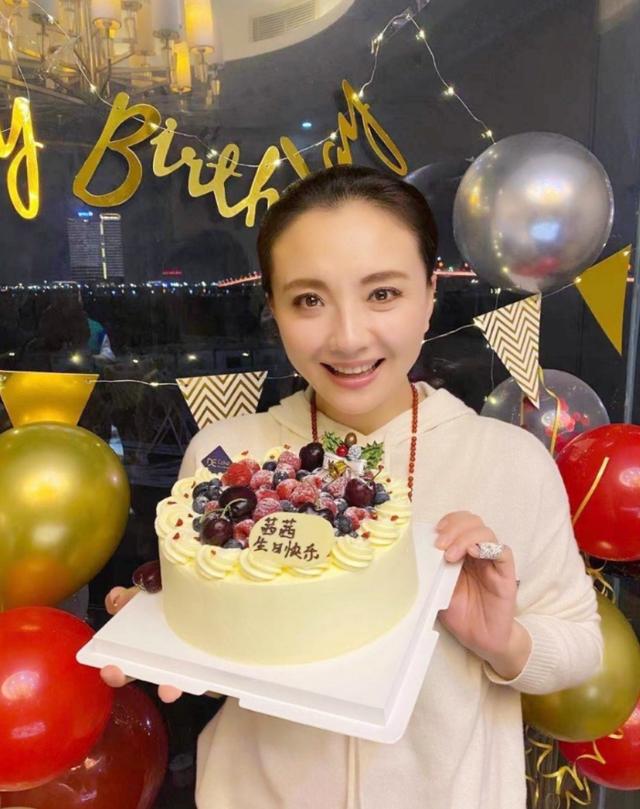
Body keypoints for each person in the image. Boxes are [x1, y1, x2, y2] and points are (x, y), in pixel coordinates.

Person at [102, 165, 603, 809]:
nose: (347, 337)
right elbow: (223, 641)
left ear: (430, 293)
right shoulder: (226, 457)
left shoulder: (509, 460)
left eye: (382, 293)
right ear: (274, 308)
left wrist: (501, 642)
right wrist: (174, 638)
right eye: (308, 300)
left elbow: (580, 645)